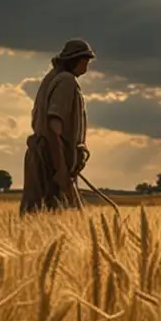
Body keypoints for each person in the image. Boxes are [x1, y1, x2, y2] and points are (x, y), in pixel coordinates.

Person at [21, 39, 95, 213]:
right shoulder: (67, 81)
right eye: (85, 61)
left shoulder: (51, 78)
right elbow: (54, 126)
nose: (86, 67)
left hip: (41, 155)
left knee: (36, 214)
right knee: (56, 213)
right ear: (76, 60)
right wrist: (61, 169)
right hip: (52, 158)